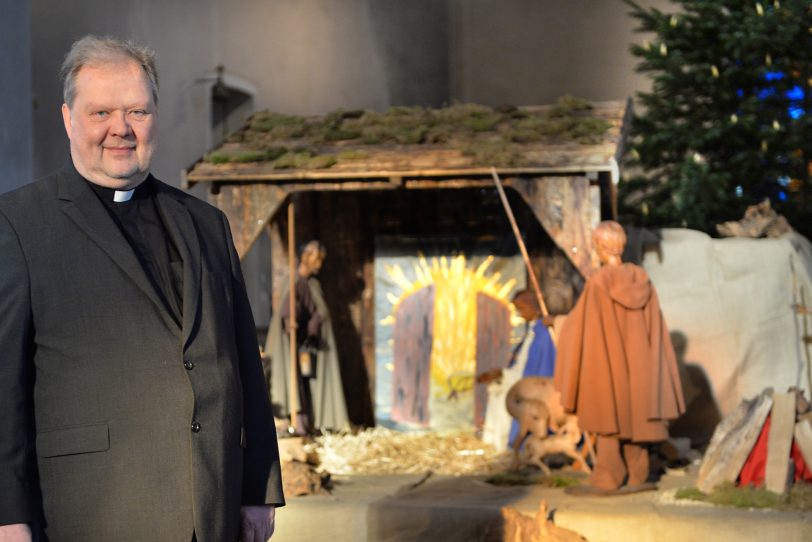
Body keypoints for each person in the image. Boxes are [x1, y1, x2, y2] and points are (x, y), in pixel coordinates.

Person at [0, 36, 283, 541]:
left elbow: (243, 362)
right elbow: (4, 389)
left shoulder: (206, 223)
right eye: (101, 112)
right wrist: (8, 515)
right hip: (94, 512)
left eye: (137, 111)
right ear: (68, 119)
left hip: (210, 509)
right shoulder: (18, 224)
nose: (120, 129)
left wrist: (258, 488)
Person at [553, 220, 685, 495]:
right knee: (635, 418)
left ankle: (608, 479)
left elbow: (581, 326)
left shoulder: (599, 282)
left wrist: (556, 321)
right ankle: (638, 476)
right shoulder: (642, 280)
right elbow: (655, 327)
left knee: (609, 420)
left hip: (609, 366)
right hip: (639, 367)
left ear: (601, 247)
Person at [268, 241, 349, 435]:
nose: (319, 265)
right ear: (305, 257)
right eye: (317, 259)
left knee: (303, 381)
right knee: (293, 382)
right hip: (289, 342)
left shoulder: (310, 283)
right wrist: (292, 321)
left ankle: (309, 425)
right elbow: (289, 309)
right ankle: (297, 425)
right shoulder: (297, 281)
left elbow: (311, 311)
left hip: (305, 342)